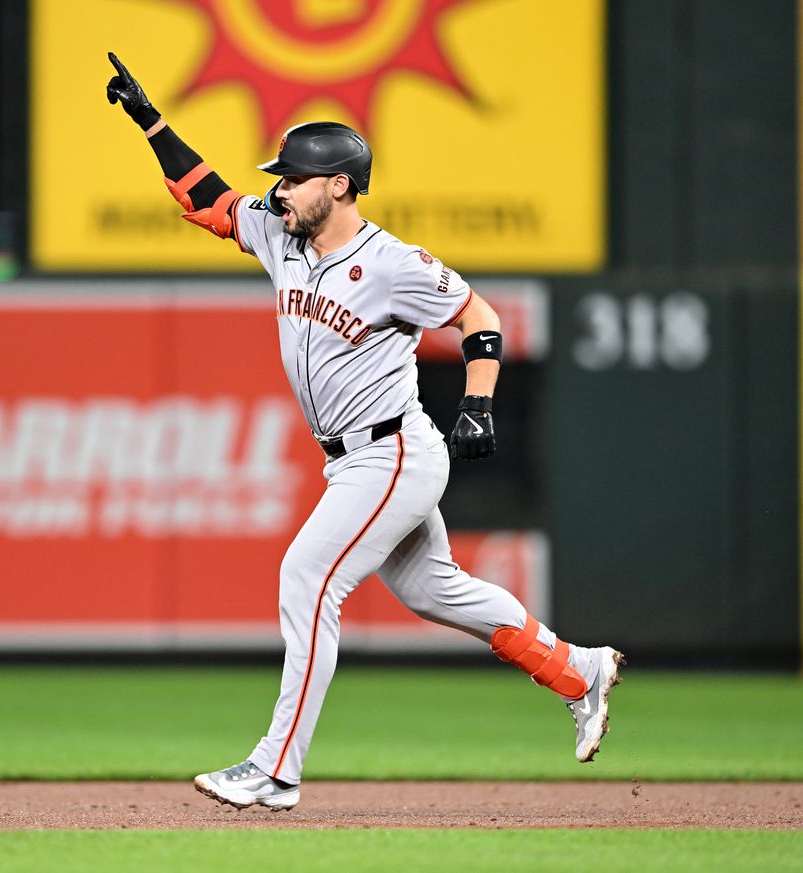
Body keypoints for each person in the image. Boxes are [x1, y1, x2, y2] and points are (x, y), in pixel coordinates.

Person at [105, 53, 623, 812]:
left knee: (308, 578)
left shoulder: (391, 263)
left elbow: (480, 317)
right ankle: (579, 671)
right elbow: (210, 198)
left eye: (293, 178)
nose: (279, 189)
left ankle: (277, 767)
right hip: (351, 459)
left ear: (339, 185)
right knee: (433, 588)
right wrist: (151, 123)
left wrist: (478, 399)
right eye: (278, 177)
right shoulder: (282, 237)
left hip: (394, 449)